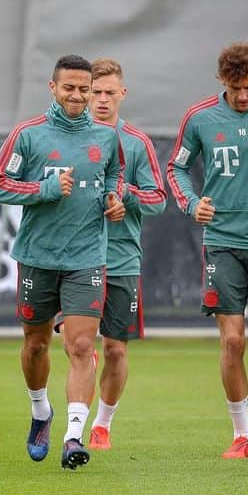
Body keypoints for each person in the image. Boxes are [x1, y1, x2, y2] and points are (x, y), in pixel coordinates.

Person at [0, 55, 124, 471]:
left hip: (87, 257)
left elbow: (114, 176)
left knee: (82, 346)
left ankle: (73, 437)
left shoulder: (106, 136)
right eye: (70, 87)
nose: (79, 95)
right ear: (53, 88)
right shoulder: (28, 135)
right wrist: (45, 188)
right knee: (35, 345)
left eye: (85, 88)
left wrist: (115, 199)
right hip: (37, 257)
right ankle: (40, 410)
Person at [167, 42, 248, 460]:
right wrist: (191, 202)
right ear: (223, 81)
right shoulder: (200, 117)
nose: (243, 96)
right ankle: (243, 435)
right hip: (223, 243)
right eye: (236, 88)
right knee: (233, 342)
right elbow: (178, 168)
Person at [86, 59, 166, 450]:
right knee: (80, 345)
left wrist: (127, 198)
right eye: (94, 92)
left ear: (122, 94)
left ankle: (102, 424)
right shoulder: (67, 138)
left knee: (115, 348)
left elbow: (157, 200)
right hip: (75, 260)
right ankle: (72, 426)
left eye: (108, 93)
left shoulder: (136, 144)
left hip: (120, 260)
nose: (102, 100)